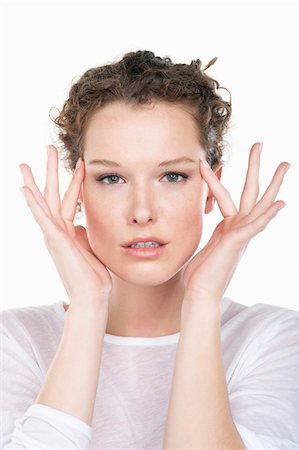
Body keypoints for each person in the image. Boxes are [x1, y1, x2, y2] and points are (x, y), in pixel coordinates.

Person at [1, 50, 298, 449]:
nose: (142, 212)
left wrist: (202, 304)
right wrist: (88, 307)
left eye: (172, 175)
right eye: (111, 178)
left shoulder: (272, 340)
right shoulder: (16, 342)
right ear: (78, 192)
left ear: (211, 188)